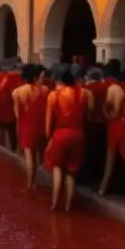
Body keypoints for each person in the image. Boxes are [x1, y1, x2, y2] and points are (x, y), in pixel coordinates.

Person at [44, 68, 92, 212]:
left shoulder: (54, 95)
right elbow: (89, 115)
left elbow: (48, 122)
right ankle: (68, 206)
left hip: (60, 134)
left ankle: (54, 202)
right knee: (71, 172)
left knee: (58, 168)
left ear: (61, 82)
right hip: (78, 134)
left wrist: (49, 139)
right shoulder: (84, 93)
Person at [12, 64, 48, 190]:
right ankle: (35, 180)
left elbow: (17, 113)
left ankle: (30, 183)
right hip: (41, 125)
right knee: (38, 153)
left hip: (26, 125)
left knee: (29, 155)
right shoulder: (45, 90)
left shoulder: (17, 92)